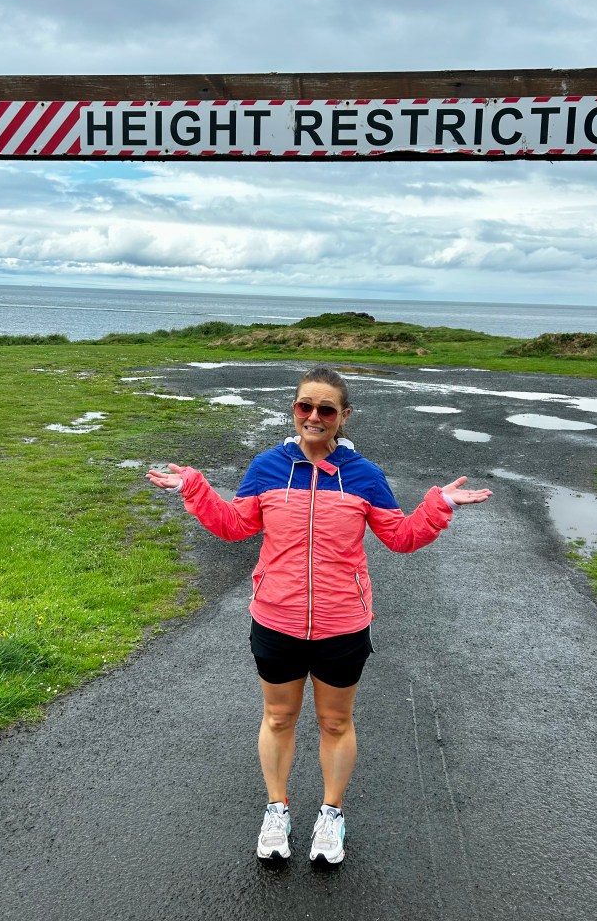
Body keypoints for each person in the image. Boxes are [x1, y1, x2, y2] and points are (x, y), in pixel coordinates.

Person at [146, 366, 491, 865]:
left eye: (326, 409)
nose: (314, 416)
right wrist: (195, 488)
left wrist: (439, 504)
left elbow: (401, 537)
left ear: (343, 416)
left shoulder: (364, 475)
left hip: (342, 625)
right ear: (294, 409)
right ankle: (277, 809)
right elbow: (235, 526)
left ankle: (331, 814)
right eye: (305, 406)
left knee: (335, 721)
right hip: (276, 620)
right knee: (278, 716)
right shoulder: (267, 466)